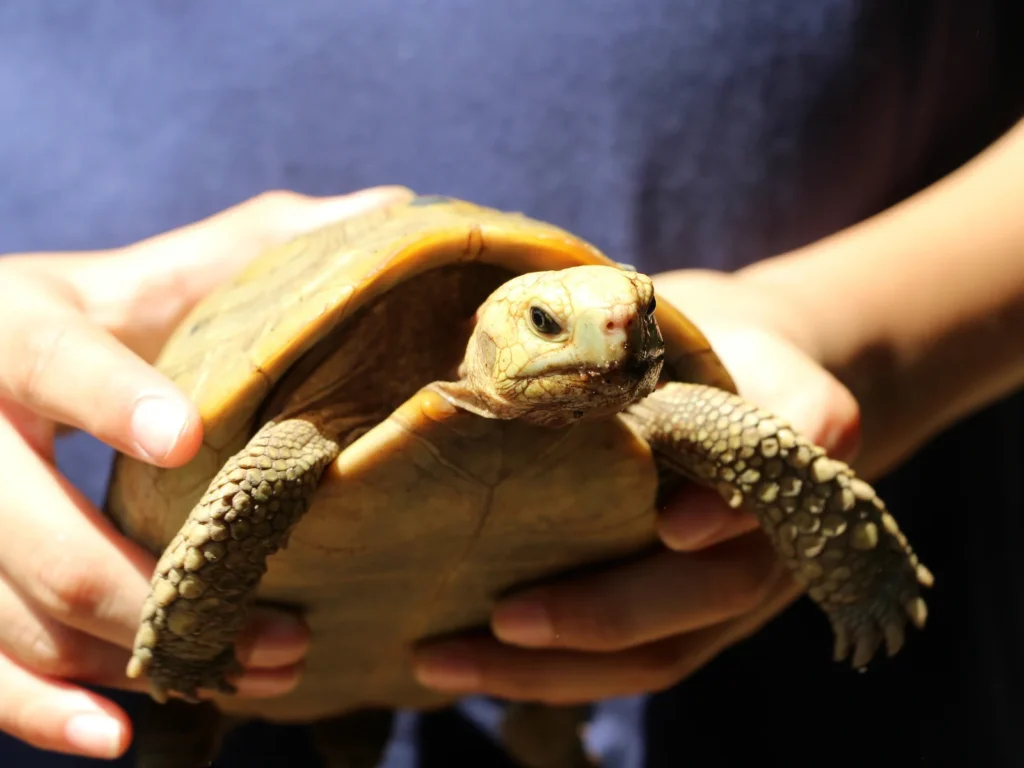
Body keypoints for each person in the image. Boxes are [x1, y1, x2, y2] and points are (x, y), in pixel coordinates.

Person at [0, 2, 1020, 766]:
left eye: (632, 318)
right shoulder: (309, 424)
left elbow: (757, 437)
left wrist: (867, 354)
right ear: (492, 327)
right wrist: (180, 640)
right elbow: (268, 460)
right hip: (75, 658)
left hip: (757, 713)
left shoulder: (656, 404)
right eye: (546, 321)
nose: (607, 337)